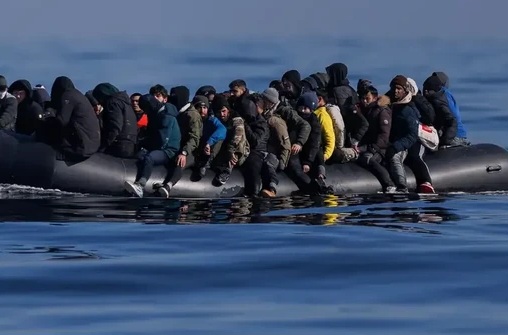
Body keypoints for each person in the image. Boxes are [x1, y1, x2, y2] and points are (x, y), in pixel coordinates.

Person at [124, 94, 181, 198]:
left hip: (169, 150)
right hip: (158, 146)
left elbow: (163, 141)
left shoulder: (166, 116)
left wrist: (149, 147)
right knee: (140, 155)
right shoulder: (156, 114)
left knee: (149, 157)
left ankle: (140, 186)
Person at [38, 76, 100, 161]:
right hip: (91, 145)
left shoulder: (68, 94)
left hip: (80, 147)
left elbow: (62, 121)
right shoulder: (79, 96)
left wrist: (45, 121)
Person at [356, 85, 396, 193]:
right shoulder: (367, 111)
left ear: (374, 98)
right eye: (363, 98)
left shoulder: (382, 111)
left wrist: (373, 149)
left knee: (370, 160)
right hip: (370, 145)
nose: (365, 101)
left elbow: (384, 134)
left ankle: (389, 184)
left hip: (381, 148)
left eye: (367, 98)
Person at [385, 75, 420, 193]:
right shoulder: (389, 104)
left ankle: (402, 186)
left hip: (403, 143)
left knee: (395, 158)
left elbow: (412, 135)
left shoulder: (408, 110)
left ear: (405, 90)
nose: (396, 91)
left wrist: (396, 147)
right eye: (394, 88)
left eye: (399, 88)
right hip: (389, 140)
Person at [257, 89, 292, 197]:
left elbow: (285, 144)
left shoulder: (275, 121)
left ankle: (272, 189)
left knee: (269, 163)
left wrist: (282, 163)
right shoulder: (262, 118)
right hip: (263, 152)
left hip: (275, 155)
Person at [211, 94, 250, 185]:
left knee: (238, 143)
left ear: (228, 109)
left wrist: (230, 152)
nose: (222, 114)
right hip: (224, 147)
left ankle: (227, 170)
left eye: (224, 111)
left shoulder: (237, 119)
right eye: (219, 112)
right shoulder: (217, 120)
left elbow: (237, 137)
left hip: (238, 149)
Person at [92, 83, 138, 158]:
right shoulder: (126, 103)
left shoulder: (113, 102)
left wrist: (104, 146)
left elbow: (115, 126)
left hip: (119, 144)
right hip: (130, 143)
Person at [406, 78, 435, 193]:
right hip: (404, 135)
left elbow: (430, 118)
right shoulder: (398, 101)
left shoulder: (419, 101)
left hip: (419, 136)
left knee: (415, 156)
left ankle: (426, 181)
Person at [424, 73, 469, 147]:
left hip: (455, 135)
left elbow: (453, 118)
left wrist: (446, 139)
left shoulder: (443, 96)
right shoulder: (438, 95)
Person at [192, 95, 226, 179]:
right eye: (199, 107)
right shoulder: (191, 119)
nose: (202, 110)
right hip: (194, 149)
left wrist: (209, 143)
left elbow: (222, 130)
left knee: (219, 138)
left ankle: (207, 163)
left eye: (205, 107)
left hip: (207, 149)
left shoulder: (211, 120)